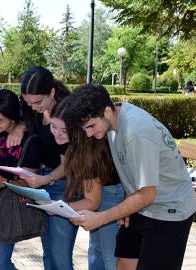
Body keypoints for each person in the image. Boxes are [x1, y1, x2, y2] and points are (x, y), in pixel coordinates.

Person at [64, 83, 196, 270]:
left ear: (107, 111)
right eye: (84, 128)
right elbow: (133, 170)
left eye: (91, 126)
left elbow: (147, 194)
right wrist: (127, 207)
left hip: (170, 210)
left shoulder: (136, 132)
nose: (89, 133)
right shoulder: (113, 120)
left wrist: (101, 218)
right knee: (124, 263)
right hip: (142, 205)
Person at [49, 97, 125, 270]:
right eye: (53, 126)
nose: (57, 133)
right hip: (103, 191)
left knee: (109, 258)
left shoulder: (88, 149)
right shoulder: (71, 141)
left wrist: (59, 207)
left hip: (111, 194)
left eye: (63, 130)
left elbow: (92, 201)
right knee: (96, 254)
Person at [18, 67, 75, 270]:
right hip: (43, 181)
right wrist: (20, 126)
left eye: (38, 102)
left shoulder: (65, 115)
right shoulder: (33, 109)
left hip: (62, 183)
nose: (32, 107)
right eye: (28, 103)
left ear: (52, 93)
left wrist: (47, 179)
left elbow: (68, 164)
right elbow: (22, 120)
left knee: (61, 256)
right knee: (48, 253)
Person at [0, 88, 41, 269]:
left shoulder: (30, 142)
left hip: (7, 208)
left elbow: (30, 183)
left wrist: (4, 182)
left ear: (13, 118)